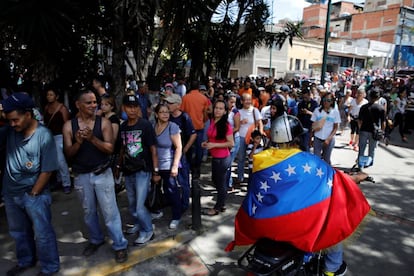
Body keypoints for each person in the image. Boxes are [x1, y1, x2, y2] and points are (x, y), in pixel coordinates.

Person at [226, 115, 371, 276]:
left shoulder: (262, 160)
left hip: (261, 223)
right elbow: (334, 178)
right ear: (297, 139)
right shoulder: (307, 161)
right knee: (335, 225)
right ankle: (332, 269)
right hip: (292, 227)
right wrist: (357, 177)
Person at [62, 90, 128, 263]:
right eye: (88, 102)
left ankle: (120, 245)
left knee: (110, 212)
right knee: (88, 212)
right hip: (82, 176)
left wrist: (92, 139)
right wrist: (78, 142)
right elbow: (68, 154)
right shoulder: (69, 126)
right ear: (78, 105)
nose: (93, 105)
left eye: (94, 102)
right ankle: (96, 239)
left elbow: (109, 148)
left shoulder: (103, 122)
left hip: (102, 173)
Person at [1, 92, 60, 275]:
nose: (12, 124)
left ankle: (50, 267)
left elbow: (47, 170)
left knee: (43, 234)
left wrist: (34, 194)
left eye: (15, 120)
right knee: (19, 233)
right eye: (9, 120)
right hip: (11, 195)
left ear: (28, 114)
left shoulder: (44, 136)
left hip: (35, 194)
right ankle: (26, 260)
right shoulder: (10, 131)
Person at [116, 94, 160, 244]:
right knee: (132, 203)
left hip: (143, 170)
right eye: (129, 107)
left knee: (141, 205)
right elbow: (122, 148)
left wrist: (155, 171)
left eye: (135, 107)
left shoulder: (145, 125)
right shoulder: (123, 127)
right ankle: (138, 223)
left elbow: (153, 149)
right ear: (124, 108)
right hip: (128, 170)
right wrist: (118, 167)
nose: (132, 110)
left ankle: (147, 230)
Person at [201, 100, 234, 216]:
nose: (217, 110)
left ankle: (217, 208)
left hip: (223, 158)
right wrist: (207, 142)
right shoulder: (212, 121)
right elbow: (213, 137)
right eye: (216, 108)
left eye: (221, 108)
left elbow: (231, 143)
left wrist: (214, 145)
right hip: (215, 157)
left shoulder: (226, 125)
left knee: (220, 184)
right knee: (217, 181)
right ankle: (222, 203)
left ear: (225, 111)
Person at [165, 93, 196, 213]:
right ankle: (173, 200)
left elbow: (193, 134)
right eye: (167, 102)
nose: (168, 105)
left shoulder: (184, 117)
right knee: (171, 180)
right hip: (168, 153)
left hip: (180, 154)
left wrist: (185, 149)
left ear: (178, 105)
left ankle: (184, 203)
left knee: (183, 181)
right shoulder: (166, 117)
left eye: (170, 103)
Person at [153, 103, 183, 229]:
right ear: (156, 114)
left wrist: (175, 165)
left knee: (171, 190)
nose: (165, 114)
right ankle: (158, 210)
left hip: (168, 163)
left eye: (167, 112)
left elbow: (178, 147)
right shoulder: (152, 126)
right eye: (162, 112)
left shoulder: (173, 127)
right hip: (156, 164)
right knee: (156, 190)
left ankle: (176, 216)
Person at [43, 87, 72, 194]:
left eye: (51, 94)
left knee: (61, 161)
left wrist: (67, 138)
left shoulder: (62, 108)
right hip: (50, 137)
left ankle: (67, 183)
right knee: (54, 160)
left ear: (56, 96)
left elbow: (66, 123)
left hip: (60, 136)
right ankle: (59, 180)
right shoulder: (46, 107)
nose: (49, 97)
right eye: (48, 95)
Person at [181, 80, 211, 178]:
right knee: (199, 147)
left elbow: (182, 112)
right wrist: (203, 120)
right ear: (198, 87)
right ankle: (197, 167)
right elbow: (206, 113)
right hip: (199, 126)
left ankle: (189, 165)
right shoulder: (203, 98)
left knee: (188, 146)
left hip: (188, 127)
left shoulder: (185, 98)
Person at [236, 93, 263, 184]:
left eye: (249, 99)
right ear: (242, 101)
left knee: (254, 157)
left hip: (253, 138)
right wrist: (241, 122)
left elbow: (260, 123)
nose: (248, 101)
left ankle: (254, 177)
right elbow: (235, 125)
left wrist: (261, 133)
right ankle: (240, 177)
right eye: (246, 100)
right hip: (242, 137)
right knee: (241, 158)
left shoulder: (255, 110)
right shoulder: (239, 112)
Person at [100, 95, 123, 193]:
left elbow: (113, 137)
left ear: (112, 106)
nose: (103, 107)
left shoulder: (113, 119)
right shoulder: (101, 117)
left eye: (106, 104)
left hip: (113, 152)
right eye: (101, 104)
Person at [357, 89, 386, 167]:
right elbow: (383, 122)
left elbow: (359, 120)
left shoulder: (364, 107)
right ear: (378, 98)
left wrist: (360, 128)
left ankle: (360, 163)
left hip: (364, 129)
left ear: (369, 96)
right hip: (374, 131)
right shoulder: (381, 108)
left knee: (362, 148)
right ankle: (369, 163)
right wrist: (382, 132)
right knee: (372, 148)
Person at [311, 92, 341, 165]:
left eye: (328, 100)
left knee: (326, 160)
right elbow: (312, 125)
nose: (326, 102)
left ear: (332, 102)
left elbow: (335, 127)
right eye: (324, 100)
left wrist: (328, 139)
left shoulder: (335, 112)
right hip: (318, 137)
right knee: (316, 159)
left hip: (329, 139)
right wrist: (311, 138)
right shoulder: (317, 110)